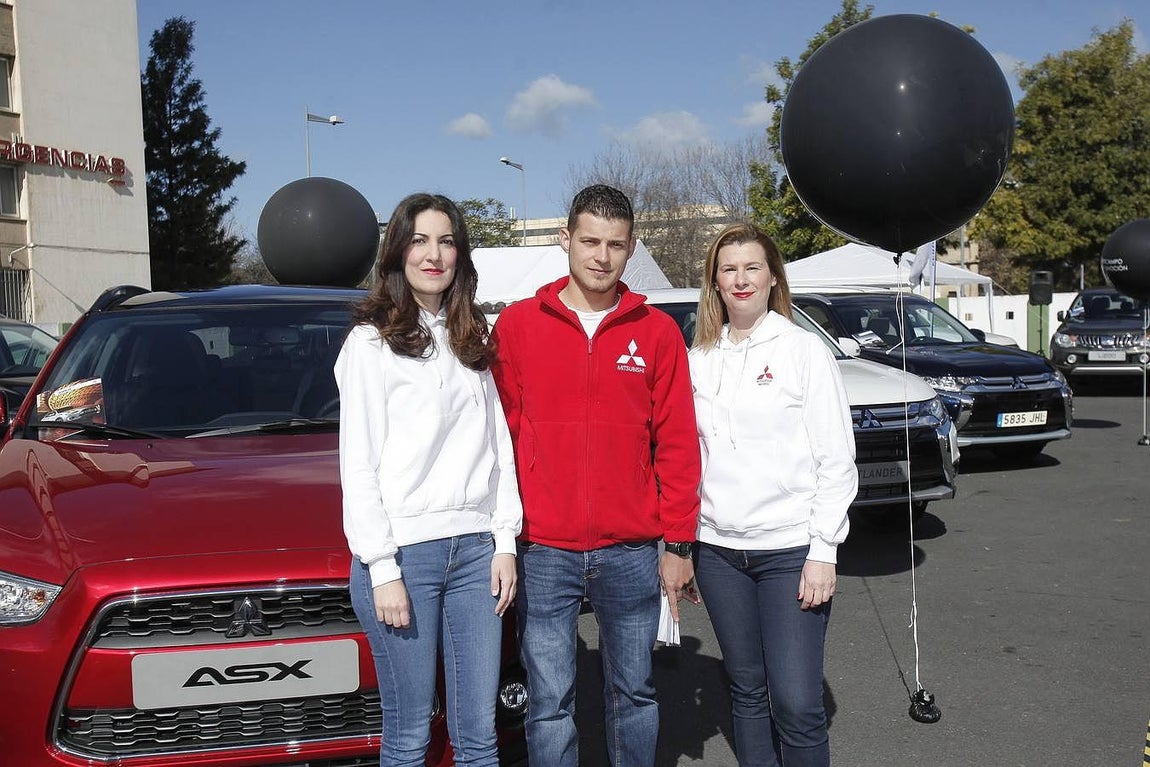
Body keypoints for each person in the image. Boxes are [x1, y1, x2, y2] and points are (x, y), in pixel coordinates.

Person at [490, 184, 701, 767]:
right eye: (589, 241)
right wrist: (502, 536)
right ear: (565, 239)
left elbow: (678, 445)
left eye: (614, 244)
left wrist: (678, 543)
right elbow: (496, 439)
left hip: (631, 547)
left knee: (634, 693)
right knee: (549, 701)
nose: (600, 256)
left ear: (631, 247)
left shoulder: (657, 333)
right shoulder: (516, 326)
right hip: (543, 547)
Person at [336, 193, 523, 767]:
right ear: (397, 252)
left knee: (478, 738)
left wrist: (505, 540)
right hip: (403, 559)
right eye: (419, 240)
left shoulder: (471, 340)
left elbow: (499, 449)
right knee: (410, 736)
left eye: (446, 241)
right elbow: (358, 467)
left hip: (475, 558)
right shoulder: (369, 345)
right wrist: (383, 569)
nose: (433, 254)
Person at [688, 222, 857, 767]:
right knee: (747, 691)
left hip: (789, 552)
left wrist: (823, 551)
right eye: (729, 269)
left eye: (752, 267)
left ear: (772, 277)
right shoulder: (699, 357)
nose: (740, 279)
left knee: (799, 702)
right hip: (717, 552)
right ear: (714, 281)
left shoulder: (803, 351)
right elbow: (686, 454)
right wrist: (681, 545)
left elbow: (836, 459)